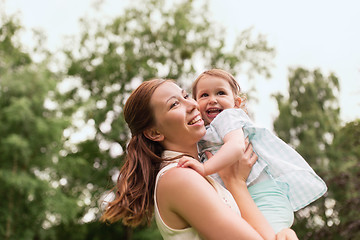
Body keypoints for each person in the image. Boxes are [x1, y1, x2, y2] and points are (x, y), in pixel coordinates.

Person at [100, 79, 299, 239]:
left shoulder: (200, 172)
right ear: (154, 132)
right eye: (174, 104)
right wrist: (235, 182)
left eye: (185, 95)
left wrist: (281, 233)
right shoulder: (179, 178)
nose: (192, 104)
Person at [179, 68, 327, 233]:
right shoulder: (205, 131)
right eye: (204, 95)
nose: (212, 100)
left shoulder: (228, 117)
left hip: (263, 196)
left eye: (220, 93)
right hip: (243, 198)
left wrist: (205, 168)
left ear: (236, 104)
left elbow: (236, 146)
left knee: (267, 235)